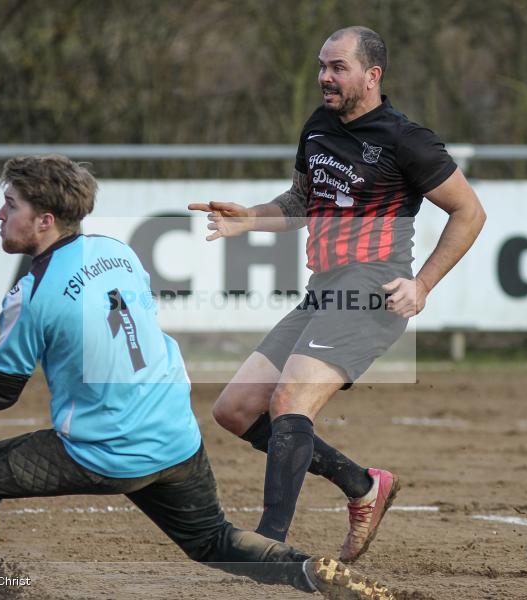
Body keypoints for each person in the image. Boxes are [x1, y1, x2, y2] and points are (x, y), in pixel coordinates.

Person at [0, 155, 398, 600]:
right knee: (214, 541)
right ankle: (308, 571)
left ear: (45, 219)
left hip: (107, 449)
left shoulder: (31, 296)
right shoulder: (116, 252)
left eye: (11, 205)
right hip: (174, 435)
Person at [188, 26, 486, 562]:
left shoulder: (406, 139)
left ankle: (268, 544)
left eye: (338, 67)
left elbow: (470, 212)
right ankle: (363, 485)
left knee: (289, 400)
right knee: (234, 409)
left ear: (372, 76)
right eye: (323, 66)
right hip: (323, 291)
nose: (325, 76)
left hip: (373, 289)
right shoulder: (319, 127)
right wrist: (249, 219)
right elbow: (302, 200)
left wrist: (422, 284)